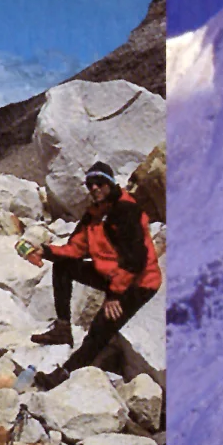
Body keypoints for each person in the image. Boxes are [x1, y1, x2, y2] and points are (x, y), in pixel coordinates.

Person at [30, 161, 162, 386]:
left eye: (99, 183)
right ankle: (63, 328)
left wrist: (114, 295)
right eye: (90, 184)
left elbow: (136, 261)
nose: (94, 188)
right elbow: (75, 249)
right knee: (63, 266)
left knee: (101, 326)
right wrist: (46, 251)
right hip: (111, 275)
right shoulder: (95, 214)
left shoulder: (126, 210)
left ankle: (65, 374)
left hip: (139, 282)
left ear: (110, 183)